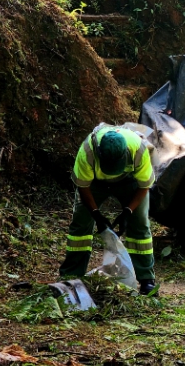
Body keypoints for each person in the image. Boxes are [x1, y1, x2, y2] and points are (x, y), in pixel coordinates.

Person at [60, 125, 157, 295]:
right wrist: (96, 214)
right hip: (95, 184)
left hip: (130, 182)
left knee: (140, 224)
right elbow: (83, 186)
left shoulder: (138, 150)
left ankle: (146, 279)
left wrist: (128, 211)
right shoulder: (87, 151)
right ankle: (72, 275)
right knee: (80, 224)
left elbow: (144, 185)